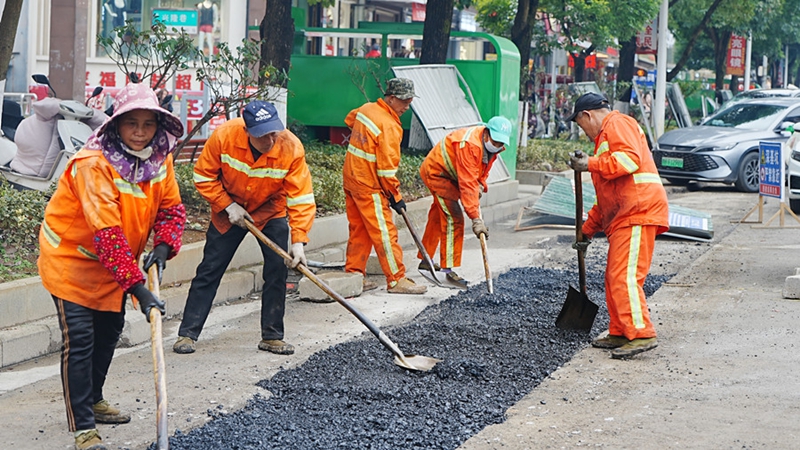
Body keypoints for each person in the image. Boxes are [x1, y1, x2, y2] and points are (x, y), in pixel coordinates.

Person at [38, 82, 185, 450]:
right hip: (71, 261)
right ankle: (84, 428)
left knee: (109, 332)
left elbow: (171, 209)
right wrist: (141, 290)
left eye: (148, 124)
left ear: (158, 126)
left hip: (113, 267)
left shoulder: (159, 160)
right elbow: (107, 235)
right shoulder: (94, 164)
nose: (140, 132)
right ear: (116, 125)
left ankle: (95, 399)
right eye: (130, 123)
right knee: (81, 341)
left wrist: (164, 248)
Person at [173, 100, 315, 355]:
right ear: (247, 131)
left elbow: (301, 197)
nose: (270, 140)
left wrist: (298, 242)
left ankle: (272, 336)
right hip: (230, 210)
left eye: (274, 132)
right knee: (210, 269)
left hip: (271, 210)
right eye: (263, 135)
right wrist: (228, 206)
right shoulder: (225, 137)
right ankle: (187, 334)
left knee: (277, 271)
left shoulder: (290, 147)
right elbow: (203, 176)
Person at [566, 92, 669, 359]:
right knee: (614, 277)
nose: (584, 132)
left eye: (580, 125)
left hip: (638, 210)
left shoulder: (617, 123)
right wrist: (586, 231)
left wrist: (589, 163)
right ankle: (621, 330)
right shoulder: (604, 141)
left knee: (624, 276)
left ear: (586, 115)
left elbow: (629, 160)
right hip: (626, 213)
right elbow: (605, 201)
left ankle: (641, 332)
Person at [342, 78, 426, 294]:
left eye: (410, 101)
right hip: (368, 185)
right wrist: (395, 197)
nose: (407, 106)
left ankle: (354, 275)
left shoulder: (367, 109)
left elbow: (349, 120)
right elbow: (386, 171)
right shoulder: (389, 126)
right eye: (404, 102)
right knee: (385, 233)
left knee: (359, 229)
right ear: (391, 98)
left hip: (351, 178)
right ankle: (396, 279)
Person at [417, 116, 512, 287]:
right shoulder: (470, 146)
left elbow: (481, 171)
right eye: (495, 141)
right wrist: (476, 219)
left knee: (438, 217)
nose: (497, 146)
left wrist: (481, 185)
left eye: (500, 143)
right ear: (487, 134)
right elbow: (467, 185)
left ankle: (426, 259)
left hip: (450, 176)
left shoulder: (492, 149)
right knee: (454, 218)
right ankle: (447, 271)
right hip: (438, 175)